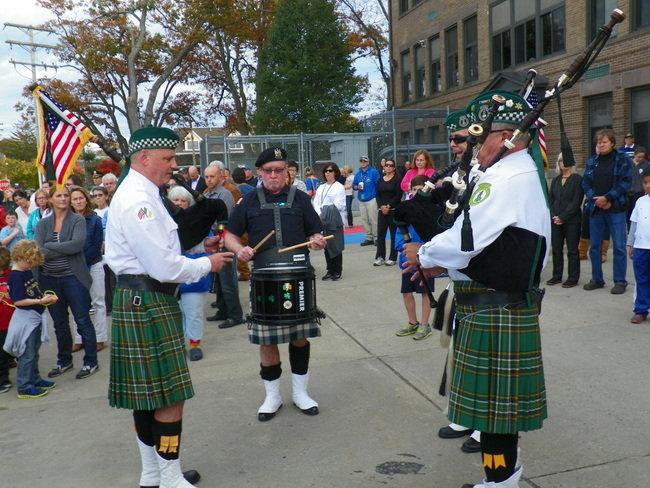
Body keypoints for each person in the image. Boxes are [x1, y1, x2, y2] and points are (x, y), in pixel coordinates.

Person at [405, 90, 551, 488]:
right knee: (496, 418)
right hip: (495, 305)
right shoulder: (515, 173)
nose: (472, 148)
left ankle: (501, 484)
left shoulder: (506, 177)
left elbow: (466, 239)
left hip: (495, 310)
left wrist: (426, 252)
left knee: (495, 417)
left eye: (477, 137)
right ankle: (504, 479)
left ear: (506, 136)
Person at [105, 126, 233, 488]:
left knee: (145, 398)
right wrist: (207, 264)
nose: (174, 165)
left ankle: (153, 474)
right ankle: (170, 478)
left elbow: (164, 246)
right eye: (168, 158)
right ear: (145, 158)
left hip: (136, 298)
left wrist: (197, 249)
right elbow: (164, 267)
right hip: (149, 299)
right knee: (169, 397)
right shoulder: (140, 200)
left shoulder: (140, 192)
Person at [224, 147, 327, 422]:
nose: (273, 175)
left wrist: (317, 240)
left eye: (279, 170)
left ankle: (300, 393)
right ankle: (273, 396)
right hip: (264, 279)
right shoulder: (247, 202)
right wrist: (239, 250)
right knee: (267, 341)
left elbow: (316, 232)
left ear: (287, 172)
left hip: (298, 275)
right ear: (259, 173)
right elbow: (230, 235)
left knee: (300, 337)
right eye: (268, 170)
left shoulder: (302, 199)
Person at [35, 186, 99, 380]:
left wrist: (50, 246)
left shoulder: (78, 220)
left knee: (82, 320)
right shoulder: (42, 224)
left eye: (66, 195)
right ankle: (64, 360)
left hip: (74, 278)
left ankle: (90, 361)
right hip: (49, 279)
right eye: (59, 195)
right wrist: (57, 248)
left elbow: (77, 245)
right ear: (50, 199)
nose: (63, 198)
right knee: (60, 323)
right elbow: (40, 251)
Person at [3, 240, 58, 398]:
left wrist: (43, 297)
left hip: (35, 317)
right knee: (27, 354)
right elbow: (19, 301)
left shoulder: (25, 271)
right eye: (29, 262)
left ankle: (34, 378)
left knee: (33, 351)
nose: (31, 265)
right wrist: (40, 301)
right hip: (26, 319)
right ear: (21, 257)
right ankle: (24, 385)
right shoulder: (15, 276)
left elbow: (33, 291)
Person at [582, 128, 632, 294]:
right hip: (596, 209)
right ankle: (597, 279)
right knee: (594, 247)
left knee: (618, 246)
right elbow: (585, 184)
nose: (601, 145)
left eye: (604, 142)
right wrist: (594, 198)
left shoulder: (623, 160)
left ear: (612, 143)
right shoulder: (592, 161)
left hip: (615, 210)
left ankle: (620, 281)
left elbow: (625, 183)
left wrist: (608, 198)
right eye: (598, 142)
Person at [168, 186, 211, 361]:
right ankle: (178, 343)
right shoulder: (164, 221)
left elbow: (207, 246)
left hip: (194, 274)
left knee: (193, 311)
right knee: (175, 313)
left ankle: (194, 344)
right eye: (175, 200)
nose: (179, 203)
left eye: (182, 200)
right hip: (171, 275)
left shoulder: (199, 221)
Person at [394, 176, 435, 341]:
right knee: (407, 292)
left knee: (425, 293)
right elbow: (398, 234)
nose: (417, 192)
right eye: (414, 189)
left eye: (421, 189)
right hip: (407, 261)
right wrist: (404, 248)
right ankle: (413, 322)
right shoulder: (406, 211)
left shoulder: (432, 212)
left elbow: (436, 237)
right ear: (410, 191)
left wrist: (423, 252)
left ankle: (425, 324)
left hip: (425, 261)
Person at [203, 164, 244, 327]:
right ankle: (222, 310)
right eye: (206, 177)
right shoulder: (207, 193)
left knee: (228, 280)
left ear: (221, 176)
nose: (209, 180)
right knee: (219, 279)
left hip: (223, 239)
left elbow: (224, 221)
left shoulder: (225, 194)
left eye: (212, 176)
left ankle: (235, 315)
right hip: (211, 237)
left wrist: (219, 238)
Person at [70, 186, 107, 352]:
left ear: (86, 199)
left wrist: (84, 263)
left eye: (80, 198)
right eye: (75, 199)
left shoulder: (95, 219)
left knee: (98, 301)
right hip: (74, 267)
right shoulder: (66, 221)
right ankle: (80, 337)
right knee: (78, 303)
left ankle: (100, 337)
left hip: (94, 264)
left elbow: (97, 244)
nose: (78, 201)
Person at [547, 153, 584, 288]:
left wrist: (563, 217)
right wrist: (554, 216)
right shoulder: (556, 180)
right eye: (560, 160)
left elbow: (576, 202)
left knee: (572, 250)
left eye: (565, 159)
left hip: (571, 221)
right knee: (556, 249)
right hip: (556, 220)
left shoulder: (577, 179)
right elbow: (551, 200)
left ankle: (573, 278)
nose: (563, 162)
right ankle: (557, 276)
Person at [313, 163, 346, 280]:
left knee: (335, 245)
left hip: (334, 220)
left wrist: (324, 212)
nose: (327, 173)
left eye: (330, 171)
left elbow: (339, 205)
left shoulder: (339, 187)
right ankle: (329, 270)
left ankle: (337, 270)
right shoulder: (321, 187)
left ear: (335, 173)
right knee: (326, 246)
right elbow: (316, 202)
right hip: (322, 220)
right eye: (326, 171)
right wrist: (320, 213)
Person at [628, 168, 650, 324]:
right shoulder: (640, 201)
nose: (648, 185)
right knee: (641, 279)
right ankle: (641, 310)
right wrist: (631, 244)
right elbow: (634, 224)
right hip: (641, 247)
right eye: (645, 182)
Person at [374, 158, 401, 266]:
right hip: (382, 211)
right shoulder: (380, 179)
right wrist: (381, 206)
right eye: (386, 165)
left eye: (390, 165)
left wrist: (389, 206)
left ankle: (392, 257)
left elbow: (398, 195)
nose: (388, 167)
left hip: (393, 210)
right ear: (384, 167)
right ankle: (380, 257)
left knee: (394, 234)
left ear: (394, 168)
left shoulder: (397, 179)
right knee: (381, 234)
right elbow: (377, 194)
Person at [353, 156, 381, 246]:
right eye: (361, 161)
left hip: (371, 198)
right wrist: (356, 187)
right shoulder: (358, 174)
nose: (363, 163)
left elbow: (379, 184)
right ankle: (369, 237)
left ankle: (376, 237)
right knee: (364, 219)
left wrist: (377, 196)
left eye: (365, 161)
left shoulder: (373, 172)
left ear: (368, 162)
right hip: (361, 199)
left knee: (373, 218)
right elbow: (354, 184)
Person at [0, 248, 15, 394]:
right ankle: (2, 380)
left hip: (13, 320)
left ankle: (11, 359)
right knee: (1, 353)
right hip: (1, 323)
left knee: (12, 348)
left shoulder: (10, 275)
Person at [627, 146, 650, 224]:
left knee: (635, 211)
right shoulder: (628, 164)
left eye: (642, 157)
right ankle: (629, 229)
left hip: (639, 192)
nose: (640, 158)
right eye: (638, 157)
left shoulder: (646, 165)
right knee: (628, 212)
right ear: (634, 155)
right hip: (628, 191)